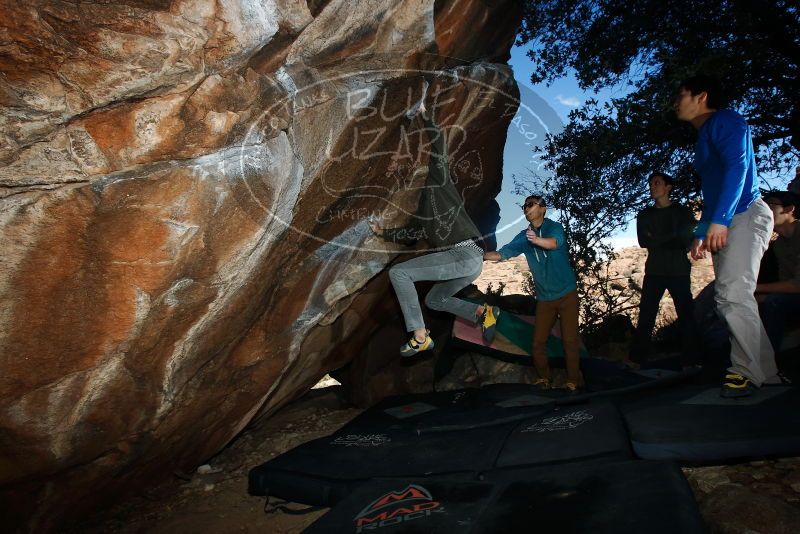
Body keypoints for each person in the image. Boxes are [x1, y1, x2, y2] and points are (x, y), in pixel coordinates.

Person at [370, 99, 499, 357]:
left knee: (400, 274)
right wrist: (384, 232)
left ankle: (419, 336)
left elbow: (438, 149)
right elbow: (412, 232)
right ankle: (481, 312)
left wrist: (424, 115)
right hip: (468, 263)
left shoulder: (439, 183)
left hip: (462, 254)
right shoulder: (423, 211)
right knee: (434, 300)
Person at [675, 74, 777, 397]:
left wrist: (720, 220)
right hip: (726, 220)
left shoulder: (726, 121)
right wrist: (702, 230)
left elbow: (739, 166)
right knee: (729, 298)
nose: (676, 103)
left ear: (701, 96)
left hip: (746, 213)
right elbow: (713, 191)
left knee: (733, 294)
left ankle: (745, 371)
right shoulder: (703, 139)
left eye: (681, 95)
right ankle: (766, 372)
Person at [483, 195, 582, 392]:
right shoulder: (524, 236)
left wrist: (537, 239)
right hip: (545, 298)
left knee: (570, 341)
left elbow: (554, 243)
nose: (525, 208)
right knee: (537, 342)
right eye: (524, 206)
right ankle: (544, 379)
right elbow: (504, 253)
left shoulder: (555, 227)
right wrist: (480, 255)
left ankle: (573, 381)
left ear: (543, 209)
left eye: (530, 204)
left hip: (567, 294)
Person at [630, 172, 698, 366]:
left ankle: (692, 359)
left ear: (668, 187)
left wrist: (658, 238)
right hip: (654, 271)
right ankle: (639, 359)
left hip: (679, 271)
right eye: (650, 183)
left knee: (686, 315)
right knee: (646, 315)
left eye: (657, 183)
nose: (652, 186)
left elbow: (686, 238)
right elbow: (644, 241)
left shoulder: (682, 211)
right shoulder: (645, 214)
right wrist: (674, 236)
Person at [756, 191, 800, 355]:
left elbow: (797, 285)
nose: (765, 210)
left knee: (774, 301)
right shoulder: (779, 245)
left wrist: (756, 288)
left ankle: (767, 361)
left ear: (789, 209)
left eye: (771, 206)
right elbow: (785, 281)